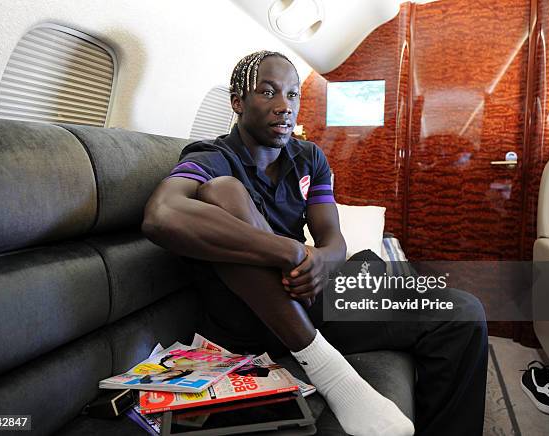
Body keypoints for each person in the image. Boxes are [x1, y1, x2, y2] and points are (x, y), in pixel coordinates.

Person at [142, 50, 488, 436]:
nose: (283, 107)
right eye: (268, 93)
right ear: (238, 102)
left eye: (292, 95)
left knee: (462, 312)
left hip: (307, 297)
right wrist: (290, 251)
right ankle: (328, 369)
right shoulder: (212, 157)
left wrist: (321, 260)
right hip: (246, 315)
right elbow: (162, 215)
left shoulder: (309, 158)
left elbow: (333, 240)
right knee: (223, 192)